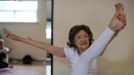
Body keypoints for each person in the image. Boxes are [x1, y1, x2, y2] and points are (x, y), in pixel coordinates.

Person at [3, 3, 126, 75]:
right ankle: (112, 26)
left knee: (90, 54)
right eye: (79, 37)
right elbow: (43, 46)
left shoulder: (97, 49)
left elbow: (110, 38)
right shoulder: (69, 52)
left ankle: (113, 25)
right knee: (86, 57)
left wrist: (119, 27)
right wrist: (18, 38)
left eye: (86, 36)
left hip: (103, 40)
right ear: (73, 41)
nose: (83, 39)